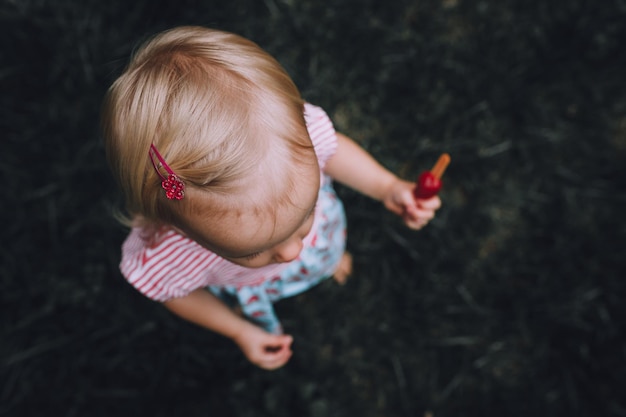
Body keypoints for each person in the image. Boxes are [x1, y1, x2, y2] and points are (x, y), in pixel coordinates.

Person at [101, 26, 441, 370]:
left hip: (323, 239)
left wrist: (386, 186)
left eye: (307, 212)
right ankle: (321, 263)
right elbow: (177, 294)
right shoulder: (169, 252)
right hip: (259, 286)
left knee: (319, 250)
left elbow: (334, 153)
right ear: (179, 225)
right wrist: (238, 330)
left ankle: (328, 260)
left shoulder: (291, 140)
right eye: (252, 250)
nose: (293, 251)